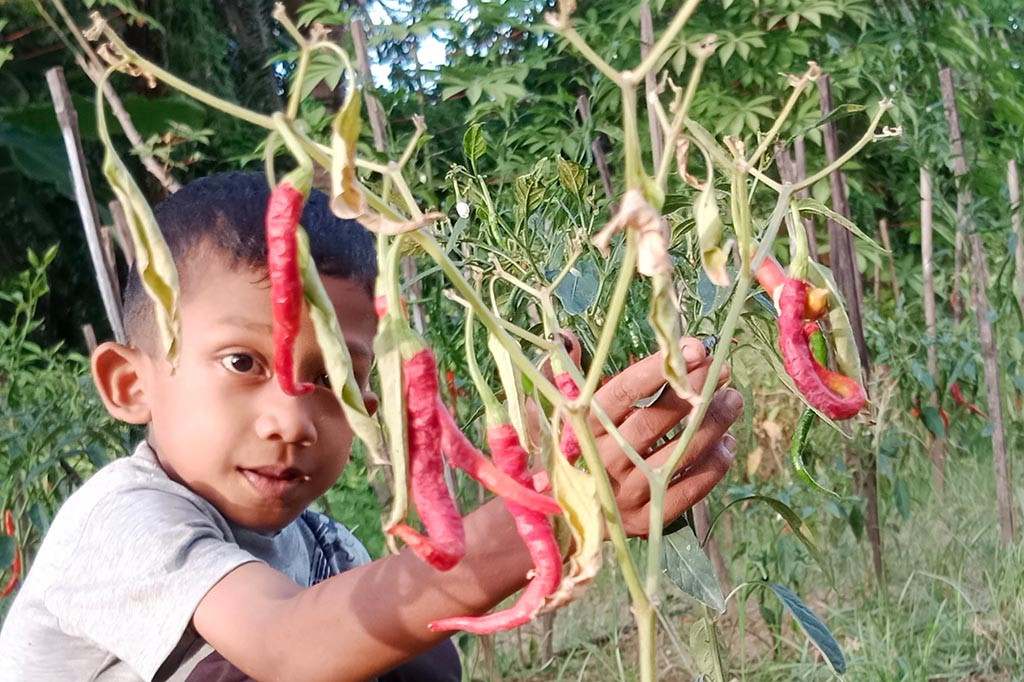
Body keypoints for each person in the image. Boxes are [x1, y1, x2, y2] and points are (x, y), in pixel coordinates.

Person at [0, 172, 742, 682]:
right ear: (131, 384)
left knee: (407, 651)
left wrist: (576, 508)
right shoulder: (121, 519)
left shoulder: (325, 546)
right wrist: (546, 515)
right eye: (241, 362)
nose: (290, 420)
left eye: (334, 380)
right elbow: (286, 648)